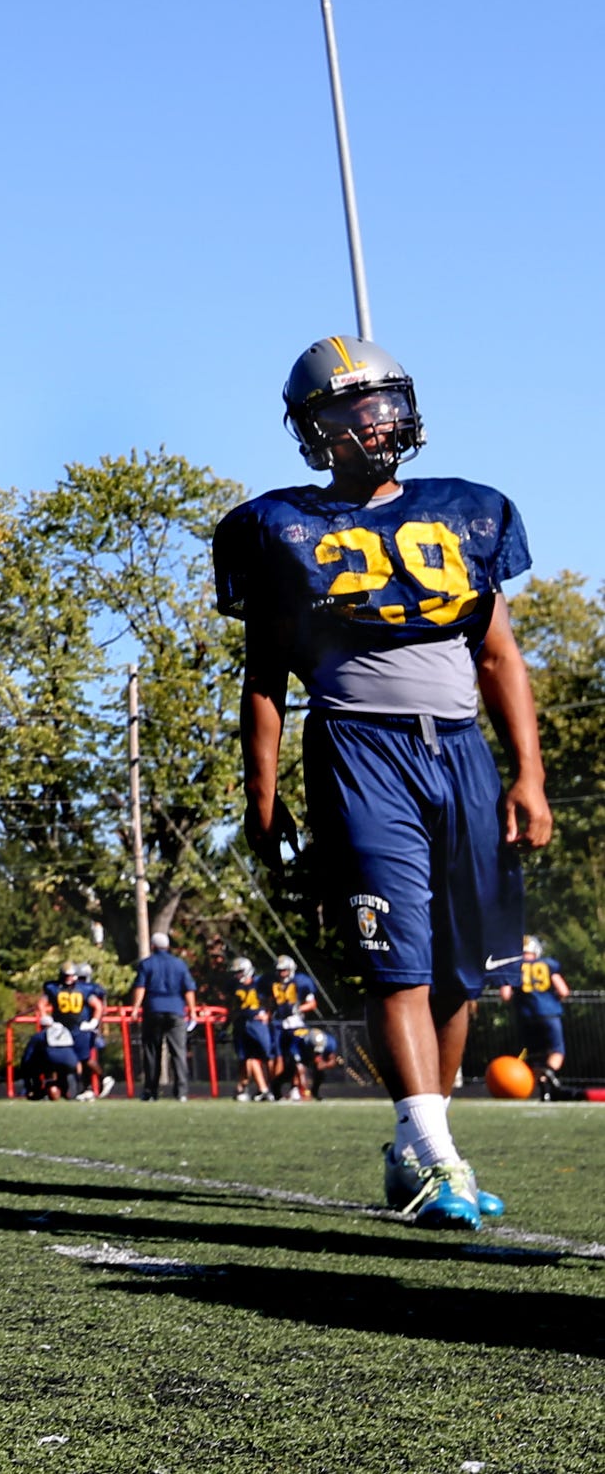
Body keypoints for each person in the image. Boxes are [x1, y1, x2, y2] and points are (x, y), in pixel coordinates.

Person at [216, 336, 547, 1224]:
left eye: (383, 403)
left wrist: (530, 779)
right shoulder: (278, 527)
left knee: (460, 971)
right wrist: (263, 793)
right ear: (313, 429)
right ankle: (438, 1154)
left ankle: (417, 1156)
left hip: (464, 751)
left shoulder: (470, 510)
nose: (374, 423)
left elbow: (501, 657)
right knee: (393, 958)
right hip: (359, 747)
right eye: (350, 410)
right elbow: (264, 678)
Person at [128, 931, 199, 1100]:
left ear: (152, 946)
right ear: (168, 946)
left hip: (153, 1010)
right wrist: (193, 1011)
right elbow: (189, 989)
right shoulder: (180, 964)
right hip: (176, 1010)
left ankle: (151, 1091)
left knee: (152, 1052)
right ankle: (181, 1092)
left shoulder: (146, 964)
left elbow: (140, 987)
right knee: (178, 1052)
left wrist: (135, 1008)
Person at [499, 935, 570, 1099]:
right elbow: (563, 991)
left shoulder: (513, 967)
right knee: (557, 1052)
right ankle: (549, 1072)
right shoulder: (548, 965)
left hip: (526, 1016)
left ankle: (544, 1089)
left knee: (535, 1054)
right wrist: (552, 999)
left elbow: (505, 994)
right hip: (549, 1014)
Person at [43, 961, 111, 1099]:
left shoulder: (86, 989)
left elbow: (99, 1005)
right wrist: (46, 1018)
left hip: (82, 1027)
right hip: (62, 1028)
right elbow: (41, 1003)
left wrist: (94, 1022)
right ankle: (84, 1088)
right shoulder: (54, 988)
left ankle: (101, 1080)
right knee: (65, 1058)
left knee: (84, 1058)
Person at [268, 955, 326, 1101]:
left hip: (297, 1026)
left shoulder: (302, 981)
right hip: (279, 1024)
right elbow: (269, 1002)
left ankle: (297, 1088)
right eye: (280, 970)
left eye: (285, 970)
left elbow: (312, 1004)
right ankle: (275, 1089)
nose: (282, 973)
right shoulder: (273, 982)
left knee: (296, 1058)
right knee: (278, 1057)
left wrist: (299, 1008)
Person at [224, 957, 280, 1101]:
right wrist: (227, 1025)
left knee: (268, 1055)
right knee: (247, 1057)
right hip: (241, 1023)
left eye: (240, 972)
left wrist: (268, 1014)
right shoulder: (233, 985)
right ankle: (261, 1089)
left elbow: (274, 999)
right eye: (236, 972)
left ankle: (271, 1087)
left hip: (258, 1024)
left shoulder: (261, 983)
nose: (237, 975)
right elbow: (231, 1006)